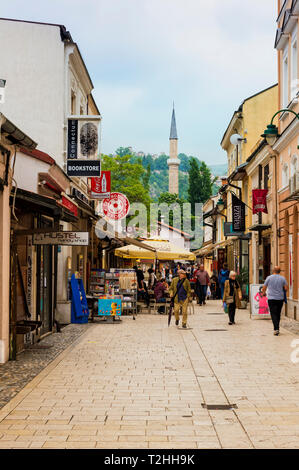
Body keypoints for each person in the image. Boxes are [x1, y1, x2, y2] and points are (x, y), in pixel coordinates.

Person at [262, 266, 288, 336]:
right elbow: (286, 288)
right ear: (279, 271)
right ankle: (277, 328)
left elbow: (264, 287)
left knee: (273, 313)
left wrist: (264, 293)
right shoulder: (283, 278)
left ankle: (276, 329)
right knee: (278, 313)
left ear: (273, 270)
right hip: (280, 298)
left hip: (271, 298)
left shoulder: (269, 278)